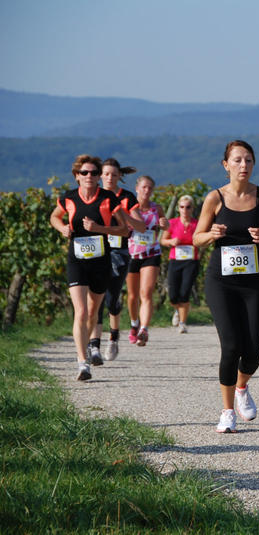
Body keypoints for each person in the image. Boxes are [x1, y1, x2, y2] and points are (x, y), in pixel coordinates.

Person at [193, 140, 259, 434]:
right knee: (231, 346)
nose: (244, 166)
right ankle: (227, 411)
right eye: (238, 160)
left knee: (254, 350)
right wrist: (212, 234)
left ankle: (242, 386)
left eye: (249, 161)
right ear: (226, 164)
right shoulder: (214, 198)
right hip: (221, 281)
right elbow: (196, 238)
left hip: (252, 281)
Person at [49, 154, 127, 380]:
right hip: (77, 260)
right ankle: (82, 362)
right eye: (85, 173)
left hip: (101, 261)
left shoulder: (108, 199)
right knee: (81, 312)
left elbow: (124, 230)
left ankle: (92, 343)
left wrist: (99, 228)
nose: (90, 176)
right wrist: (62, 228)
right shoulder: (69, 198)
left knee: (93, 313)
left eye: (94, 173)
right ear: (76, 176)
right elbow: (54, 217)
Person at [90, 158, 145, 362]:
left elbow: (141, 226)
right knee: (97, 297)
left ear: (119, 176)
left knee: (112, 298)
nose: (110, 178)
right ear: (100, 175)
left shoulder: (127, 197)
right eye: (106, 174)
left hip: (119, 253)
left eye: (114, 175)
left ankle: (113, 337)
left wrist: (124, 216)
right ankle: (94, 346)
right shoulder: (94, 196)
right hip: (96, 251)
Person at [126, 175, 168, 347]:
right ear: (137, 188)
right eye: (144, 187)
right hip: (131, 254)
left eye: (150, 188)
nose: (147, 190)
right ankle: (134, 323)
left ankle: (144, 329)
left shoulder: (156, 208)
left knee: (147, 292)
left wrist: (165, 225)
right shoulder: (128, 208)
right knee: (133, 296)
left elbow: (165, 225)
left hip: (151, 253)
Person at [160, 194, 200, 334]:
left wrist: (199, 245)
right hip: (175, 260)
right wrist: (171, 242)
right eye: (182, 207)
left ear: (192, 208)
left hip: (191, 261)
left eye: (188, 207)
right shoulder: (172, 223)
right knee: (173, 294)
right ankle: (177, 310)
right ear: (178, 208)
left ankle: (183, 323)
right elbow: (163, 241)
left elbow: (202, 239)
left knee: (185, 292)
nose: (185, 210)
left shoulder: (197, 224)